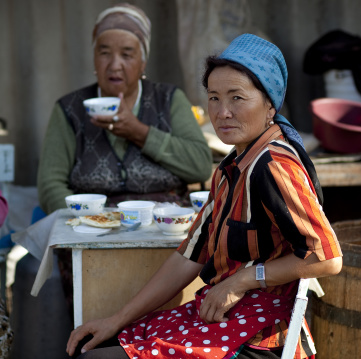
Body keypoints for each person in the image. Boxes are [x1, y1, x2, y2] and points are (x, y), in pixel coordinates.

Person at [66, 33, 343, 359]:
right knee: (97, 345)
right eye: (213, 97)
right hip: (223, 317)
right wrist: (116, 320)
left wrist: (240, 280)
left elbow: (326, 257)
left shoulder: (273, 165)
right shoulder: (232, 165)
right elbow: (190, 255)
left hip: (257, 336)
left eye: (237, 98)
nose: (222, 112)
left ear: (270, 103)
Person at [37, 3, 212, 214]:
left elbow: (201, 167)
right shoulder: (69, 108)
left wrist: (139, 132)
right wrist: (86, 220)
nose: (114, 65)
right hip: (90, 228)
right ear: (94, 58)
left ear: (143, 63)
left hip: (163, 223)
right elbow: (50, 185)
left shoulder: (169, 99)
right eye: (104, 53)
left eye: (127, 54)